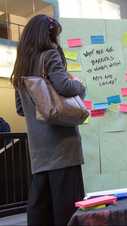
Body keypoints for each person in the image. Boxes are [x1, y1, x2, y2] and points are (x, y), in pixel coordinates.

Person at [11, 15, 85, 226]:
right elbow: (64, 87)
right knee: (67, 213)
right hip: (62, 146)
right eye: (55, 35)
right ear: (49, 34)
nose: (56, 40)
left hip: (38, 153)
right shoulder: (50, 55)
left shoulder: (22, 65)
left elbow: (20, 109)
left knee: (41, 212)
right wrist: (80, 85)